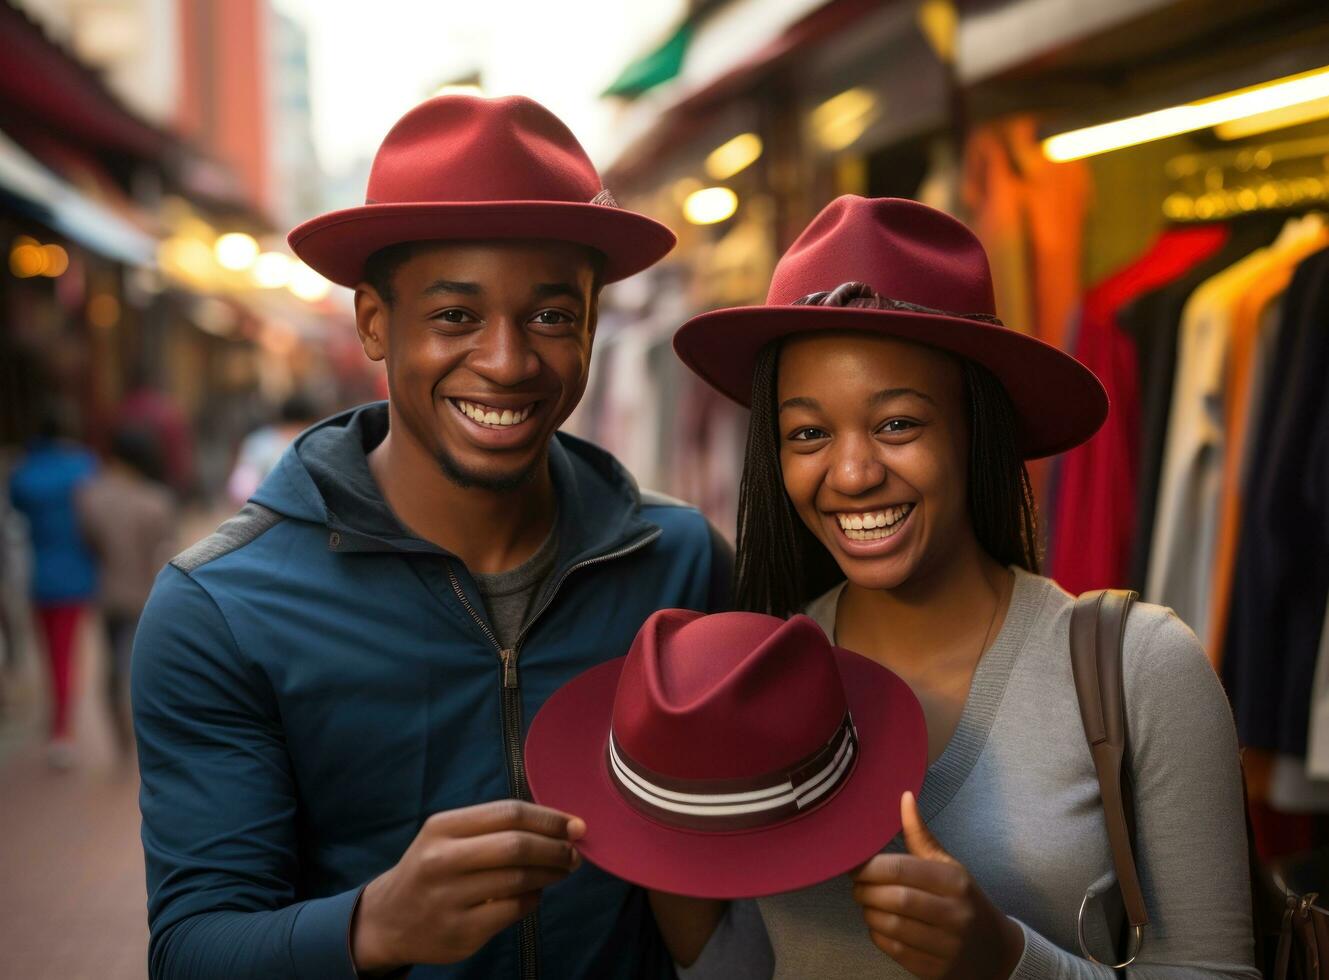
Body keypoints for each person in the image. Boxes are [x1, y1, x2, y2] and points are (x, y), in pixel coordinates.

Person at [131, 93, 729, 980]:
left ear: (595, 324)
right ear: (374, 321)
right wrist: (374, 925)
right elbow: (192, 951)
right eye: (455, 316)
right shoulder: (220, 609)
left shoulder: (682, 564)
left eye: (551, 316)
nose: (507, 360)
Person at [661, 196, 1257, 978]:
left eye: (897, 424)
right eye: (807, 433)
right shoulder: (752, 682)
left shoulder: (1138, 669)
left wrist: (1004, 957)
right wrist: (654, 854)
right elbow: (750, 963)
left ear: (977, 426)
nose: (851, 474)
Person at [76, 425, 177, 759]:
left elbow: (88, 544)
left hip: (106, 592)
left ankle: (119, 737)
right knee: (138, 665)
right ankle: (146, 736)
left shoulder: (89, 495)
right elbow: (165, 549)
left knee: (110, 665)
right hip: (147, 593)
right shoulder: (157, 500)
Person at [8, 403, 98, 769]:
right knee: (66, 653)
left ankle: (57, 723)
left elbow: (16, 508)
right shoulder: (82, 467)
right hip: (76, 570)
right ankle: (62, 729)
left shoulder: (23, 473)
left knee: (47, 652)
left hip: (34, 571)